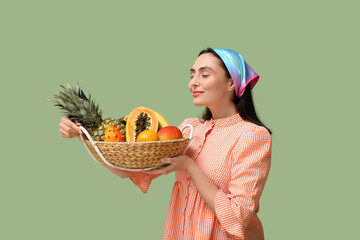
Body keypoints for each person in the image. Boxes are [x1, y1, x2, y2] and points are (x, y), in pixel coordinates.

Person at [59, 48, 272, 240]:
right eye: (192, 75)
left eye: (204, 75)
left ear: (231, 83)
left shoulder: (252, 135)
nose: (193, 83)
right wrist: (84, 135)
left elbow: (237, 218)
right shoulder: (190, 129)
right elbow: (135, 173)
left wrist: (189, 166)